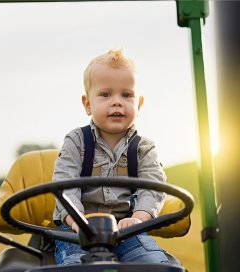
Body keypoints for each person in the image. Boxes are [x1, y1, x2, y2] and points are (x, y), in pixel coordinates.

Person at [53, 49, 170, 265]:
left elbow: (152, 187)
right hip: (78, 228)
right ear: (88, 104)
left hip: (126, 228)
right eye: (105, 94)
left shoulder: (144, 148)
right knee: (77, 264)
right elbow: (64, 184)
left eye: (126, 95)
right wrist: (77, 219)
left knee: (153, 263)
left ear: (139, 104)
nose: (117, 102)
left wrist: (138, 218)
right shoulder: (76, 142)